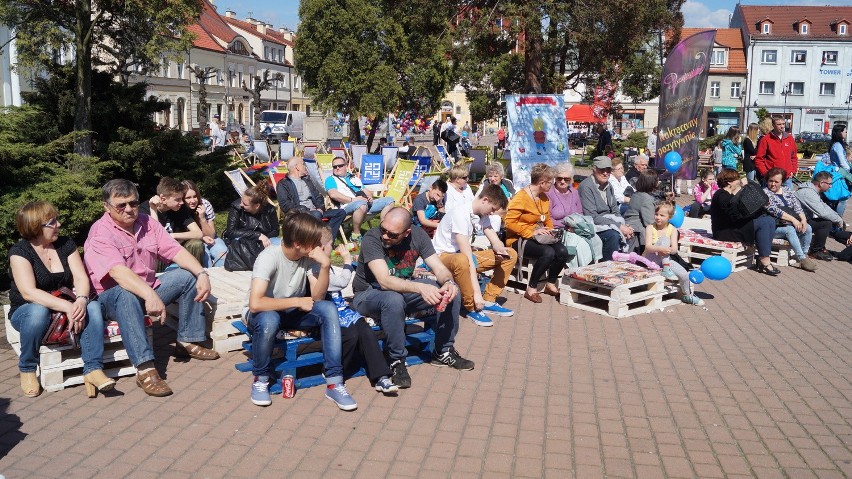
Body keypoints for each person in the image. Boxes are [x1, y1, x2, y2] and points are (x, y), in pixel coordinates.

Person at [84, 179, 218, 397]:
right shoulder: (100, 233)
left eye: (133, 203)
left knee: (187, 276)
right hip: (111, 297)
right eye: (121, 205)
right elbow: (119, 273)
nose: (129, 209)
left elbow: (175, 251)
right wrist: (150, 295)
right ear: (106, 207)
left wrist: (202, 273)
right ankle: (145, 369)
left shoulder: (148, 223)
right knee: (126, 294)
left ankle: (187, 340)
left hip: (148, 289)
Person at [351, 207, 472, 389]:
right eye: (383, 230)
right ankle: (396, 360)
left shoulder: (418, 236)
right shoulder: (371, 238)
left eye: (392, 235)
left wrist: (448, 282)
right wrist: (420, 287)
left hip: (402, 291)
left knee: (450, 292)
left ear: (407, 232)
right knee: (393, 300)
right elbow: (384, 281)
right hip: (367, 295)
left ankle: (443, 351)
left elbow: (438, 268)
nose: (385, 236)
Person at [246, 212, 356, 410]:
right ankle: (261, 378)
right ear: (298, 243)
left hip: (292, 312)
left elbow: (318, 297)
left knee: (328, 309)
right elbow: (255, 303)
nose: (319, 246)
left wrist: (325, 265)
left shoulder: (307, 257)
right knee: (270, 320)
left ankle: (334, 381)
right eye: (314, 242)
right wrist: (296, 300)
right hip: (264, 313)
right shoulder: (268, 258)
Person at [8, 201, 113, 398]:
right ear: (35, 227)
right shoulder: (20, 252)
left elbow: (81, 277)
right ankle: (28, 367)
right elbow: (29, 292)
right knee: (38, 311)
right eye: (52, 222)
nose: (59, 225)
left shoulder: (65, 244)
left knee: (92, 307)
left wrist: (80, 300)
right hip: (28, 310)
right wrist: (67, 306)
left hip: (68, 304)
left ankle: (93, 369)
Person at [309, 228, 398, 395]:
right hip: (326, 312)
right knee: (351, 335)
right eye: (330, 245)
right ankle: (332, 369)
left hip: (342, 310)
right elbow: (341, 283)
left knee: (365, 330)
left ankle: (381, 376)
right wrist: (347, 261)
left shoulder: (328, 266)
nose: (332, 248)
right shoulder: (314, 267)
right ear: (322, 247)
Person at [434, 183, 517, 327]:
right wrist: (477, 293)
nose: (492, 213)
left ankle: (489, 299)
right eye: (492, 209)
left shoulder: (480, 213)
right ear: (485, 200)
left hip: (463, 256)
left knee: (511, 254)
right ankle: (472, 305)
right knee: (463, 260)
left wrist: (499, 247)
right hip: (443, 257)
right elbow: (467, 257)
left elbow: (491, 234)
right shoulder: (461, 213)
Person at [504, 163, 571, 303]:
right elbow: (509, 223)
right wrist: (531, 232)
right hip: (518, 239)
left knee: (562, 251)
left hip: (539, 237)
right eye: (550, 183)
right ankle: (531, 288)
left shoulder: (544, 198)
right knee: (548, 253)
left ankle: (550, 283)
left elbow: (546, 219)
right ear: (542, 183)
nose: (552, 186)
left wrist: (551, 231)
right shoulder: (521, 197)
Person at [710, 168, 779, 276]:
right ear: (729, 182)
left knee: (769, 220)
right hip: (725, 230)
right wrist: (739, 191)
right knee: (764, 223)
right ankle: (764, 260)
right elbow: (733, 214)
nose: (740, 181)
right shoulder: (721, 195)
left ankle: (764, 256)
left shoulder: (729, 194)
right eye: (737, 179)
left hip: (734, 226)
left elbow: (741, 212)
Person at [641, 202, 704, 305]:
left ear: (669, 217)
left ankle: (687, 295)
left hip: (666, 259)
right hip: (652, 259)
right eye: (656, 214)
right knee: (665, 239)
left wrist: (668, 250)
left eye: (662, 215)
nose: (658, 217)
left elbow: (674, 249)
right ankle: (666, 268)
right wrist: (661, 249)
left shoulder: (673, 229)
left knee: (684, 273)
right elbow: (648, 247)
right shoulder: (650, 228)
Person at [324, 156, 395, 242]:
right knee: (361, 204)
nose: (337, 168)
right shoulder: (331, 179)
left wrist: (369, 197)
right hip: (346, 206)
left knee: (389, 200)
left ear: (346, 166)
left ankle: (382, 230)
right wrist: (353, 200)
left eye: (340, 165)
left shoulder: (353, 178)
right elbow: (333, 195)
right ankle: (355, 235)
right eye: (335, 167)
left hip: (363, 203)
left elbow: (367, 191)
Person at [276, 156, 347, 242]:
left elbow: (318, 196)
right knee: (316, 215)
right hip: (299, 214)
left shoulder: (307, 180)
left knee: (341, 212)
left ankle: (327, 240)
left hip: (316, 212)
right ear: (297, 167)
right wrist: (304, 210)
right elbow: (285, 204)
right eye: (303, 164)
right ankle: (316, 241)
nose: (305, 166)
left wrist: (320, 208)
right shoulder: (283, 184)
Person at [578, 156, 636, 261]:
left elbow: (615, 209)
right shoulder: (586, 186)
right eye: (602, 170)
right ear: (594, 169)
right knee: (613, 236)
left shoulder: (609, 185)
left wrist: (622, 224)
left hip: (609, 222)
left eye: (608, 170)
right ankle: (608, 267)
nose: (605, 173)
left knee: (632, 231)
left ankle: (626, 263)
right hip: (595, 224)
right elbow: (592, 216)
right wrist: (618, 226)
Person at [139, 177, 205, 266]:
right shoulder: (144, 211)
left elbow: (198, 233)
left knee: (196, 244)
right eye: (177, 199)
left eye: (181, 199)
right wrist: (153, 210)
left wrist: (171, 236)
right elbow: (155, 238)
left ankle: (194, 273)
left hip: (177, 250)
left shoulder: (180, 208)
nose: (182, 202)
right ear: (163, 199)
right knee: (153, 249)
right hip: (158, 256)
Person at [763, 168, 818, 272]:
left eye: (776, 181)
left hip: (790, 223)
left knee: (808, 228)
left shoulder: (787, 190)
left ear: (782, 182)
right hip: (774, 227)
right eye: (770, 181)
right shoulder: (764, 193)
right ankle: (802, 259)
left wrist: (803, 220)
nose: (773, 184)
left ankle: (804, 254)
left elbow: (797, 207)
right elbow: (774, 210)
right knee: (789, 230)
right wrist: (794, 220)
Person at [223, 182, 280, 270]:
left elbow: (275, 230)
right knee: (238, 241)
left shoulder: (270, 210)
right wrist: (257, 235)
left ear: (257, 206)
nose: (241, 204)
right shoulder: (236, 207)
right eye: (241, 201)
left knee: (279, 243)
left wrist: (264, 239)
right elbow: (231, 232)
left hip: (265, 240)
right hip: (242, 238)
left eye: (245, 204)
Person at [795, 171, 844, 261]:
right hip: (796, 223)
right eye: (829, 184)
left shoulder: (812, 191)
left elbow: (824, 206)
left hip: (802, 220)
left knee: (827, 221)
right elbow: (822, 212)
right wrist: (838, 220)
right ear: (821, 183)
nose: (831, 186)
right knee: (826, 223)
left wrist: (838, 218)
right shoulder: (807, 193)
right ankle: (815, 251)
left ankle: (819, 247)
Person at [182, 180, 228, 267]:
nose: (193, 200)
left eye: (195, 196)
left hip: (209, 237)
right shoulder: (179, 209)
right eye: (188, 198)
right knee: (204, 255)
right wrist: (201, 238)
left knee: (222, 252)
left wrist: (202, 218)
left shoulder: (205, 204)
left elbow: (211, 235)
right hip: (192, 241)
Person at [754, 116, 798, 188]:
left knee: (788, 198)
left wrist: (793, 170)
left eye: (783, 124)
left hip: (787, 178)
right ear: (773, 125)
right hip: (772, 178)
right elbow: (759, 159)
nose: (782, 126)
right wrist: (766, 173)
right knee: (769, 198)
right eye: (779, 124)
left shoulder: (789, 138)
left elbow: (793, 156)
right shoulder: (766, 139)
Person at [623, 169, 660, 249]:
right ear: (652, 183)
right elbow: (650, 223)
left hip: (629, 225)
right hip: (637, 233)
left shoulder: (636, 194)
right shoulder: (647, 199)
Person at [475, 161, 516, 232]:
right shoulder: (485, 187)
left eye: (495, 176)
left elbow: (512, 200)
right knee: (496, 218)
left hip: (507, 213)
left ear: (501, 176)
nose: (492, 179)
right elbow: (477, 203)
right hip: (491, 214)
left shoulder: (506, 185)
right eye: (490, 176)